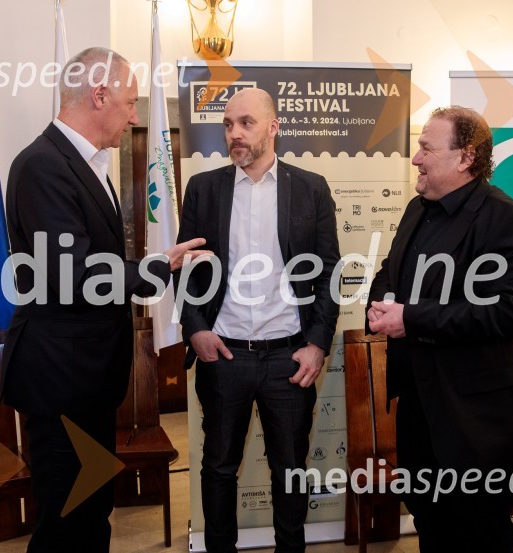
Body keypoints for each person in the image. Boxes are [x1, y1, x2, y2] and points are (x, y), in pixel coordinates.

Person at [1, 47, 206, 553]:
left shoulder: (87, 164)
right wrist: (159, 266)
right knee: (66, 523)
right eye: (130, 102)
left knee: (92, 515)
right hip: (60, 380)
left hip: (88, 378)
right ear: (99, 95)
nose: (134, 116)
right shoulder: (44, 166)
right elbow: (75, 274)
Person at [366, 106, 513, 552]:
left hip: (479, 419)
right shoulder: (416, 209)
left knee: (479, 532)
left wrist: (409, 318)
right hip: (419, 407)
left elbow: (504, 312)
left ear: (466, 158)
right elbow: (391, 272)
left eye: (426, 148)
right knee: (431, 522)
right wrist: (384, 303)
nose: (416, 158)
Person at [176, 87, 340, 553]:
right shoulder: (203, 189)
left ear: (273, 127)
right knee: (219, 468)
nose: (234, 134)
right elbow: (186, 269)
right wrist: (195, 329)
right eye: (228, 124)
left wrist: (317, 343)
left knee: (289, 471)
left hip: (289, 358)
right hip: (223, 355)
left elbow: (329, 271)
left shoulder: (310, 188)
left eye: (246, 123)